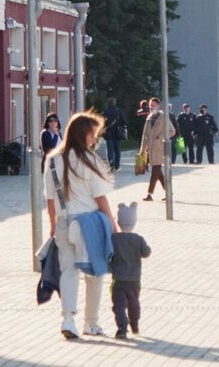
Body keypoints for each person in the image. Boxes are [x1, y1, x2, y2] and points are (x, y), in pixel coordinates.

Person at [45, 112, 118, 340]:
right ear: (84, 134)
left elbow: (49, 199)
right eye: (92, 134)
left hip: (64, 222)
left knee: (69, 270)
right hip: (89, 223)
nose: (94, 139)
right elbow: (100, 198)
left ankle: (68, 318)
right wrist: (114, 225)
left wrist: (52, 224)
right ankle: (91, 322)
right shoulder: (90, 160)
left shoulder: (53, 160)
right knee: (95, 272)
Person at [109, 202, 152, 341]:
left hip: (118, 279)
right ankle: (135, 324)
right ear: (134, 222)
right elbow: (146, 253)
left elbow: (109, 254)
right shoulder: (138, 239)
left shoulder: (114, 239)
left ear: (119, 221)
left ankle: (122, 327)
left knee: (119, 304)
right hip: (134, 279)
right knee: (134, 302)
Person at [140, 97, 172, 202]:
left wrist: (160, 137)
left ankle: (149, 194)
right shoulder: (149, 118)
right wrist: (142, 150)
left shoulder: (164, 118)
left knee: (155, 172)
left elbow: (172, 131)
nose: (151, 107)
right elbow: (144, 135)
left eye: (153, 105)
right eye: (150, 105)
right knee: (158, 173)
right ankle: (169, 192)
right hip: (150, 149)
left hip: (159, 148)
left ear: (158, 106)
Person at [101, 98, 126, 170]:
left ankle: (112, 165)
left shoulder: (105, 111)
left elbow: (101, 122)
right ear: (115, 103)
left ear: (108, 103)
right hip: (118, 134)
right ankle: (117, 166)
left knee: (110, 150)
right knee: (117, 151)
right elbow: (124, 122)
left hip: (108, 133)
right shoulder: (119, 111)